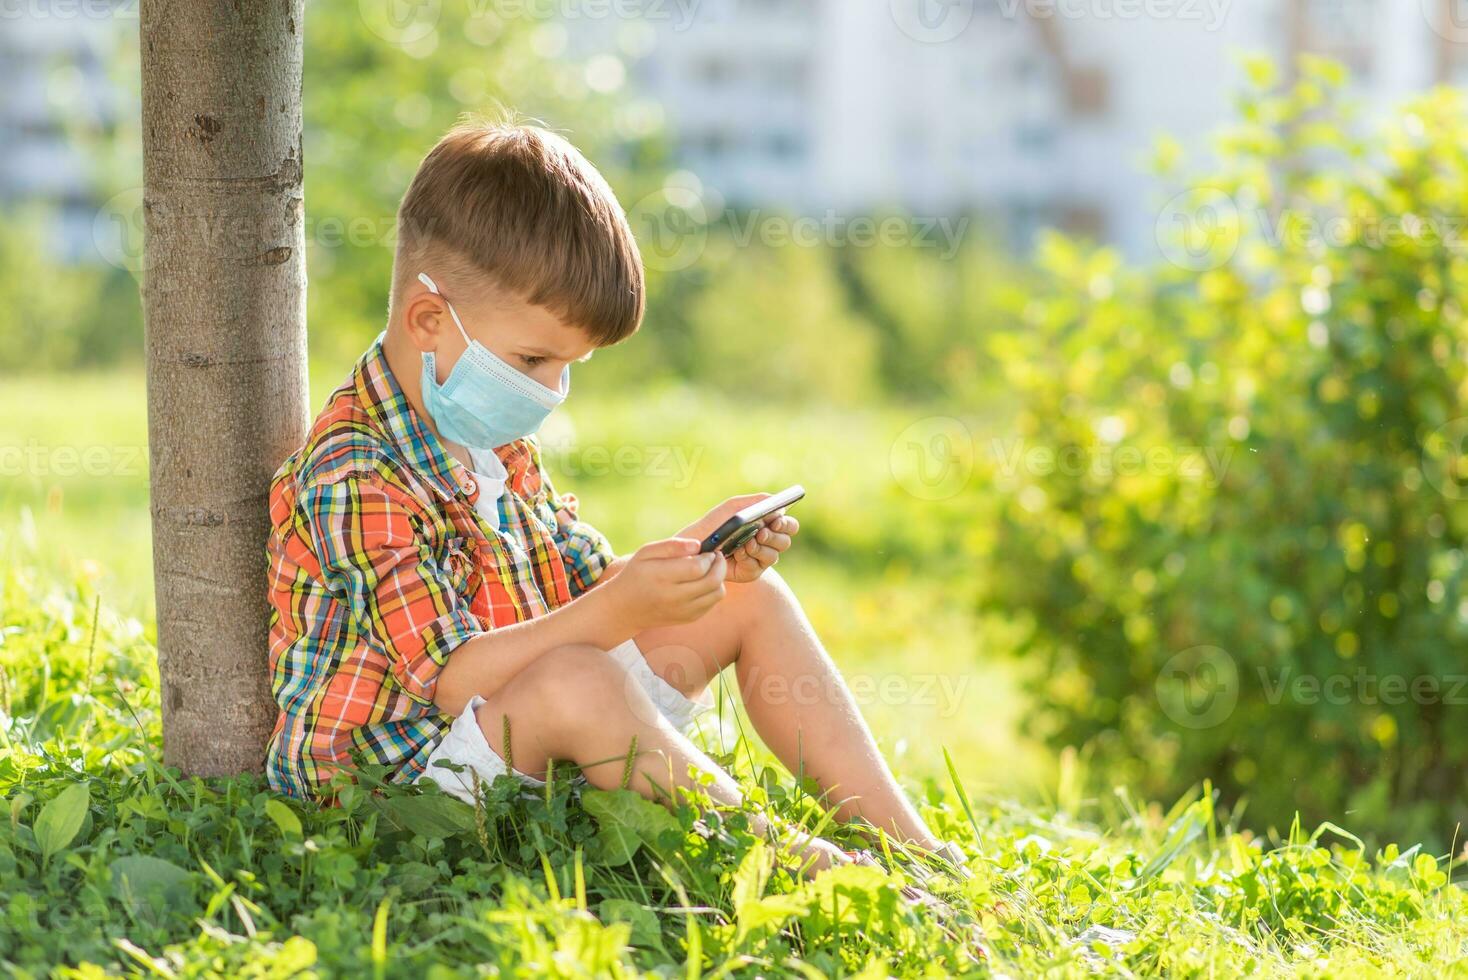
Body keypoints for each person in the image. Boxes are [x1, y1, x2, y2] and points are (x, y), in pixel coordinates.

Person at [262, 119, 963, 877]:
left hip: (509, 729)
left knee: (746, 600)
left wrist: (696, 560)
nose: (550, 390)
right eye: (533, 358)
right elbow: (453, 677)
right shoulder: (353, 471)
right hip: (397, 791)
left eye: (569, 366)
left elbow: (582, 591)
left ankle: (913, 851)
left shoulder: (491, 437)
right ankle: (784, 861)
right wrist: (622, 606)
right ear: (429, 320)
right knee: (576, 681)